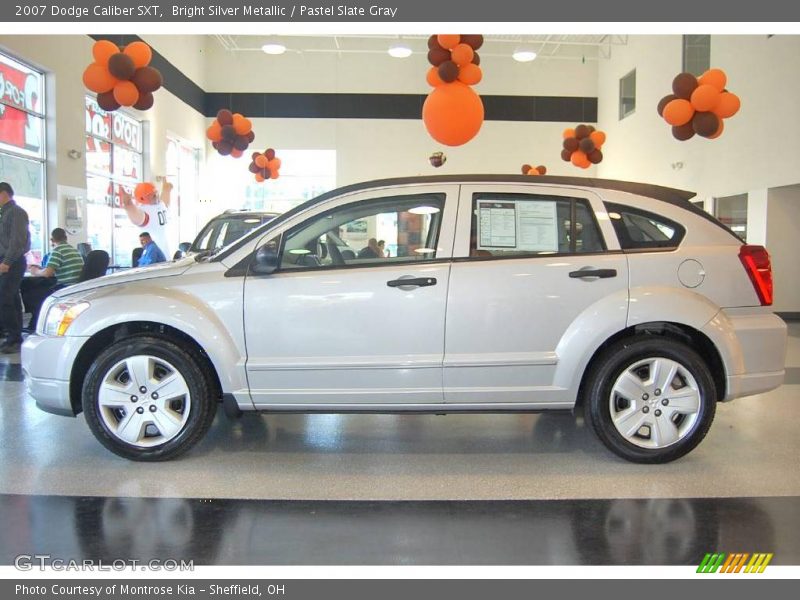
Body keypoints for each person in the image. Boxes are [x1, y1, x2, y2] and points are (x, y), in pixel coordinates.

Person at [21, 228, 84, 330]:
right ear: (66, 238)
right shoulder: (74, 250)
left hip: (64, 287)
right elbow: (54, 269)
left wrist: (35, 271)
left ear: (52, 240)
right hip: (76, 286)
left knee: (30, 293)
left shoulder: (57, 251)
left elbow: (47, 273)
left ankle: (35, 324)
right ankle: (34, 323)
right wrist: (43, 269)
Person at [0, 181, 31, 354]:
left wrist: (7, 262)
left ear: (4, 193)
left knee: (4, 298)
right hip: (6, 261)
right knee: (11, 299)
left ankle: (14, 338)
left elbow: (17, 241)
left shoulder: (16, 212)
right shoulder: (4, 213)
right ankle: (14, 336)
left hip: (12, 262)